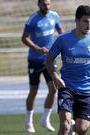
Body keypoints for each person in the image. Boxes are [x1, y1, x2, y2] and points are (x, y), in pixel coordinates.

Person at [45, 5, 90, 135]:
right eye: (85, 21)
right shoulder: (63, 39)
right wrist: (55, 77)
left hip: (86, 88)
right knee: (65, 125)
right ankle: (69, 127)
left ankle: (73, 129)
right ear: (76, 21)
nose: (89, 25)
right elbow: (48, 60)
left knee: (82, 129)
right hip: (66, 86)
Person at [21, 0, 63, 133]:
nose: (47, 6)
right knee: (33, 91)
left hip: (50, 59)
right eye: (44, 4)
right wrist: (37, 48)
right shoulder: (33, 19)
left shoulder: (54, 16)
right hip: (35, 60)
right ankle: (28, 121)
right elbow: (24, 38)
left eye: (49, 4)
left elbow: (60, 31)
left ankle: (45, 119)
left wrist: (63, 43)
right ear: (38, 4)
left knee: (54, 88)